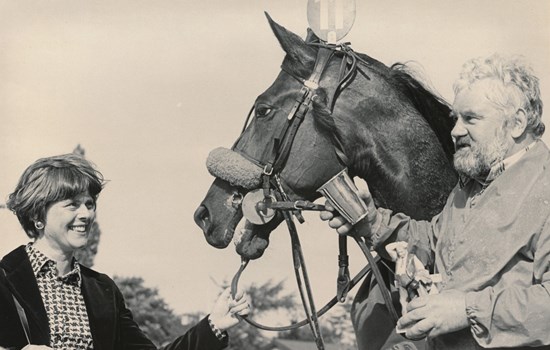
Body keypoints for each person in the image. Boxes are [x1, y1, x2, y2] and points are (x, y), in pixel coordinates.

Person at [320, 54, 550, 349]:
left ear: (516, 123)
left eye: (471, 118)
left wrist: (466, 309)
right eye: (456, 119)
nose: (455, 131)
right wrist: (371, 222)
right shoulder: (470, 186)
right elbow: (434, 242)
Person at [0, 154, 250, 350]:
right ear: (37, 215)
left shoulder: (103, 290)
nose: (86, 214)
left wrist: (214, 326)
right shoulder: (4, 280)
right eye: (72, 205)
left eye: (89, 204)